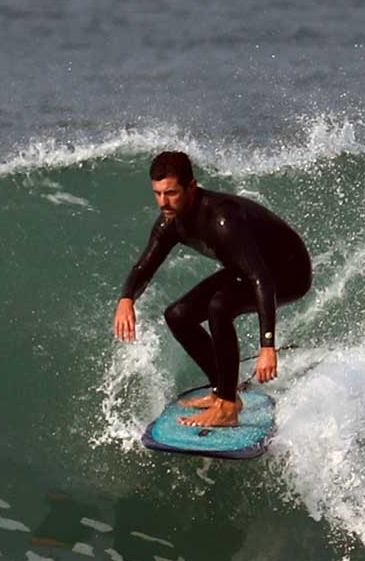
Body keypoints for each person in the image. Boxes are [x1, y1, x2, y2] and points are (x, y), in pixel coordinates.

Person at [112, 151, 311, 429]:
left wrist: (267, 345)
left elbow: (260, 279)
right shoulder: (170, 221)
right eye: (157, 193)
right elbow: (145, 266)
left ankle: (228, 407)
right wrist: (126, 299)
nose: (163, 202)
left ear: (191, 186)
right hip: (247, 268)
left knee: (220, 306)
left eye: (171, 193)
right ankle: (223, 389)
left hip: (289, 273)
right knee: (178, 315)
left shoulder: (222, 219)